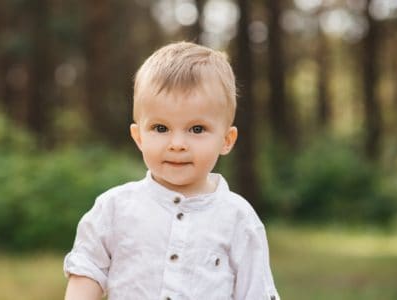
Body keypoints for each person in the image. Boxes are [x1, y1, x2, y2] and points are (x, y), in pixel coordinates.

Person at [63, 41, 280, 300]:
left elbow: (256, 292)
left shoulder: (238, 218)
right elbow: (86, 270)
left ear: (226, 140)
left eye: (197, 129)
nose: (177, 145)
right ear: (139, 136)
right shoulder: (114, 209)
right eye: (161, 128)